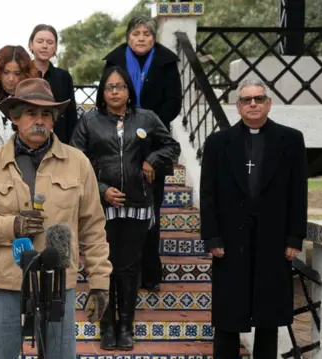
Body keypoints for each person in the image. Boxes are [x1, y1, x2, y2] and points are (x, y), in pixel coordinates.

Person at [0, 78, 112, 359]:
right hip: (4, 282)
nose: (38, 121)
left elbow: (93, 227)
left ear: (54, 120)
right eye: (30, 113)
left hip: (58, 283)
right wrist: (12, 225)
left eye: (45, 114)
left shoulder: (78, 163)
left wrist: (100, 282)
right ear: (14, 118)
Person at [70, 66, 180, 350]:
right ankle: (106, 327)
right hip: (101, 206)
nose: (115, 92)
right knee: (104, 266)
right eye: (109, 87)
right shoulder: (89, 121)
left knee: (129, 267)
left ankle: (125, 327)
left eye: (120, 86)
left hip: (137, 204)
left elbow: (171, 145)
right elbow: (75, 160)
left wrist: (152, 159)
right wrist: (103, 190)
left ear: (129, 91)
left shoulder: (147, 118)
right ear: (102, 93)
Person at [200, 79, 307, 359]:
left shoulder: (291, 140)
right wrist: (212, 237)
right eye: (247, 100)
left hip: (273, 241)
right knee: (227, 317)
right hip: (230, 241)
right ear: (238, 107)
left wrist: (295, 238)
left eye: (259, 99)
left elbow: (298, 193)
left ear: (268, 103)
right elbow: (208, 193)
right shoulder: (218, 143)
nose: (253, 104)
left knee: (268, 317)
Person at [103, 15, 182, 291]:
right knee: (118, 212)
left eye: (146, 34)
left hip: (153, 142)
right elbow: (105, 98)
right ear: (128, 37)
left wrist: (146, 124)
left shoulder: (167, 62)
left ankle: (149, 272)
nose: (141, 38)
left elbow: (174, 102)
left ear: (154, 37)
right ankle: (118, 272)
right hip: (116, 143)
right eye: (136, 33)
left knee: (150, 212)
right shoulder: (114, 62)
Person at [28, 24, 78, 144]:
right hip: (27, 139)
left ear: (55, 48)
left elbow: (71, 116)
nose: (45, 46)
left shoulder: (64, 77)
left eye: (50, 42)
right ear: (31, 45)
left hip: (59, 143)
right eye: (40, 41)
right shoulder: (22, 74)